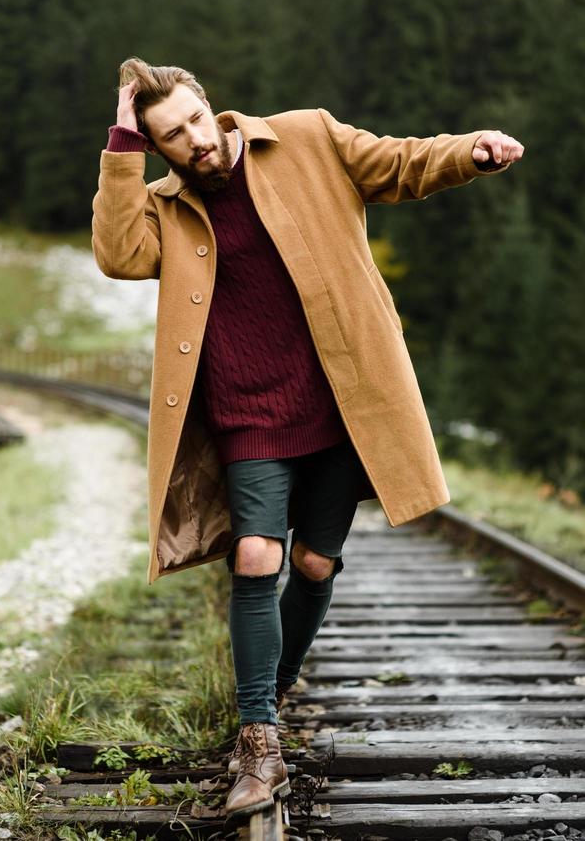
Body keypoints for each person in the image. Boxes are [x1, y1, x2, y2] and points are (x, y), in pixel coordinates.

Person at [91, 58, 524, 821]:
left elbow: (398, 163)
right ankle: (258, 738)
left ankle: (272, 686)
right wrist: (121, 143)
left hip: (341, 397)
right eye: (170, 138)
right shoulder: (165, 207)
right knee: (258, 554)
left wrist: (470, 150)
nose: (193, 141)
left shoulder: (305, 138)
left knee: (316, 561)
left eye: (194, 121)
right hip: (246, 408)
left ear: (210, 108)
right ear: (157, 149)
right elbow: (118, 253)